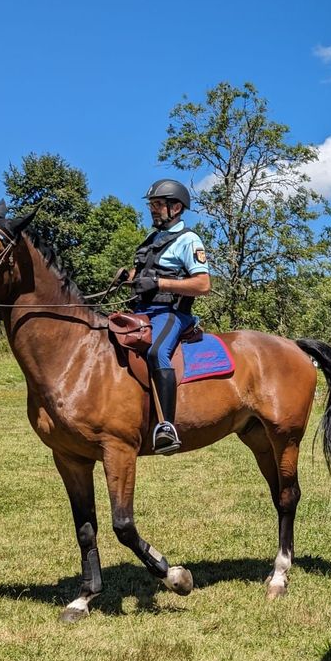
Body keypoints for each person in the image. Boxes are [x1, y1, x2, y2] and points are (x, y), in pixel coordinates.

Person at [128, 178, 211, 455]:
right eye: (151, 204)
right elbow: (146, 274)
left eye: (157, 204)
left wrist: (160, 284)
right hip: (142, 311)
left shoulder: (189, 240)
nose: (152, 209)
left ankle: (166, 426)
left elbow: (203, 285)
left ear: (176, 208)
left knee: (156, 352)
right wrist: (129, 277)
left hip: (172, 313)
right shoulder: (153, 239)